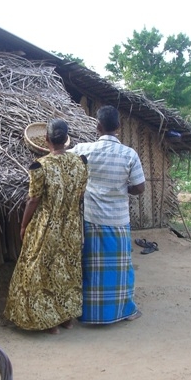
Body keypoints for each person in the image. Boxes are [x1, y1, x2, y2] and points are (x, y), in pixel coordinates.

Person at [4, 119, 88, 334]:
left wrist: (24, 226)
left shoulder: (40, 166)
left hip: (47, 226)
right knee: (68, 272)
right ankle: (66, 319)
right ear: (66, 140)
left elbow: (33, 200)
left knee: (39, 272)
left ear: (47, 140)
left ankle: (47, 323)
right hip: (72, 227)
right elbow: (80, 195)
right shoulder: (81, 163)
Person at [69, 105, 145, 324]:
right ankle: (124, 311)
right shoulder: (129, 154)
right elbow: (139, 188)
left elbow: (63, 160)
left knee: (92, 267)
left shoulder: (84, 149)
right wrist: (122, 188)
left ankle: (91, 313)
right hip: (119, 220)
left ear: (98, 126)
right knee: (120, 268)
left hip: (93, 219)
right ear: (119, 127)